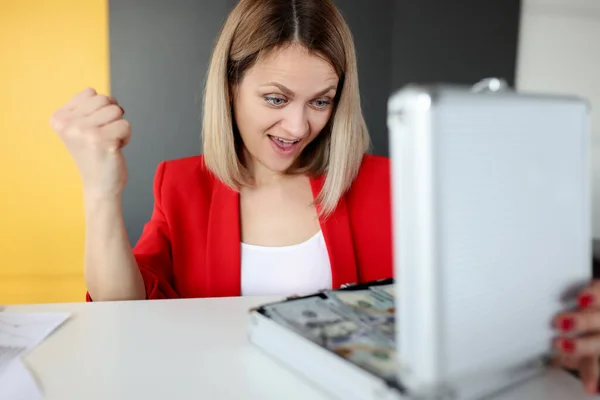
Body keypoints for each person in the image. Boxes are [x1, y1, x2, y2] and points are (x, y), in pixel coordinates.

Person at [49, 0, 600, 394]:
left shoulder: (393, 183)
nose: (297, 124)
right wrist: (101, 190)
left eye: (321, 101)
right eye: (275, 97)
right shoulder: (182, 184)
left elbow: (497, 286)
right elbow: (123, 316)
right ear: (229, 88)